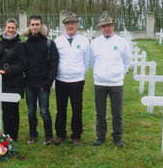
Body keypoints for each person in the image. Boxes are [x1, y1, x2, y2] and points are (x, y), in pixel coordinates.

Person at [90, 11, 131, 147]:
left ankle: (117, 137)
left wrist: (120, 74)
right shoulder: (95, 43)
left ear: (113, 26)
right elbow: (92, 61)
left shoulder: (121, 42)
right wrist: (98, 73)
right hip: (100, 83)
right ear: (100, 28)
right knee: (100, 112)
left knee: (117, 113)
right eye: (103, 26)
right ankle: (100, 136)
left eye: (108, 25)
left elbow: (127, 61)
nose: (106, 28)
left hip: (116, 83)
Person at [54, 12, 90, 146]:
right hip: (61, 80)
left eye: (72, 23)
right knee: (61, 108)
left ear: (77, 25)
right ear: (64, 25)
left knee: (77, 109)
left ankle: (76, 135)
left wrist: (79, 72)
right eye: (67, 23)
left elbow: (86, 61)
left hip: (77, 81)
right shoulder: (58, 41)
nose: (70, 26)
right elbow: (55, 59)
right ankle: (60, 134)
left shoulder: (83, 41)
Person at [24, 15, 59, 145]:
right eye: (32, 24)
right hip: (29, 83)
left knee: (44, 111)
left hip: (43, 83)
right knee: (31, 111)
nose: (34, 27)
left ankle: (48, 136)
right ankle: (33, 135)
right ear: (29, 26)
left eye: (37, 24)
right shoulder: (26, 43)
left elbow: (54, 64)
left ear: (41, 25)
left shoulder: (49, 43)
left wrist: (47, 82)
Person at [0, 18, 26, 141]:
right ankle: (6, 134)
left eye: (13, 28)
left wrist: (7, 71)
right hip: (2, 81)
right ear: (5, 28)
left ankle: (14, 135)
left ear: (16, 30)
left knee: (13, 110)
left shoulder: (20, 45)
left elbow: (22, 64)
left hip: (14, 80)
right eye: (8, 27)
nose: (10, 30)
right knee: (5, 109)